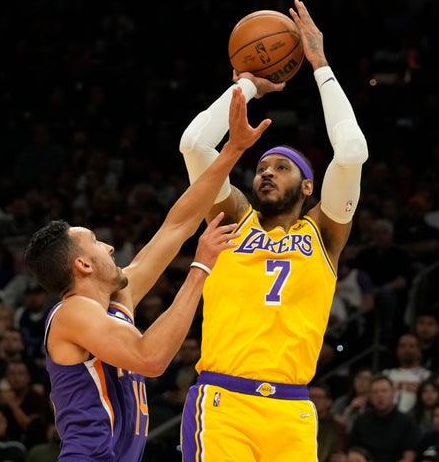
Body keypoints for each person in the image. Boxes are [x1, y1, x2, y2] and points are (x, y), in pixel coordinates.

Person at [23, 83, 271, 461]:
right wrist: (201, 267)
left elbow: (179, 224)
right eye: (97, 242)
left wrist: (234, 149)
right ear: (83, 265)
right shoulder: (72, 314)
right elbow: (150, 358)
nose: (109, 247)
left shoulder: (117, 299)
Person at [177, 0, 368, 461]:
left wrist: (319, 64)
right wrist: (247, 83)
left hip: (292, 411)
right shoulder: (232, 219)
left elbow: (352, 150)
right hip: (224, 402)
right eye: (262, 166)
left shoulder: (323, 233)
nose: (266, 172)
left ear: (307, 185)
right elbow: (195, 143)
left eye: (281, 167)